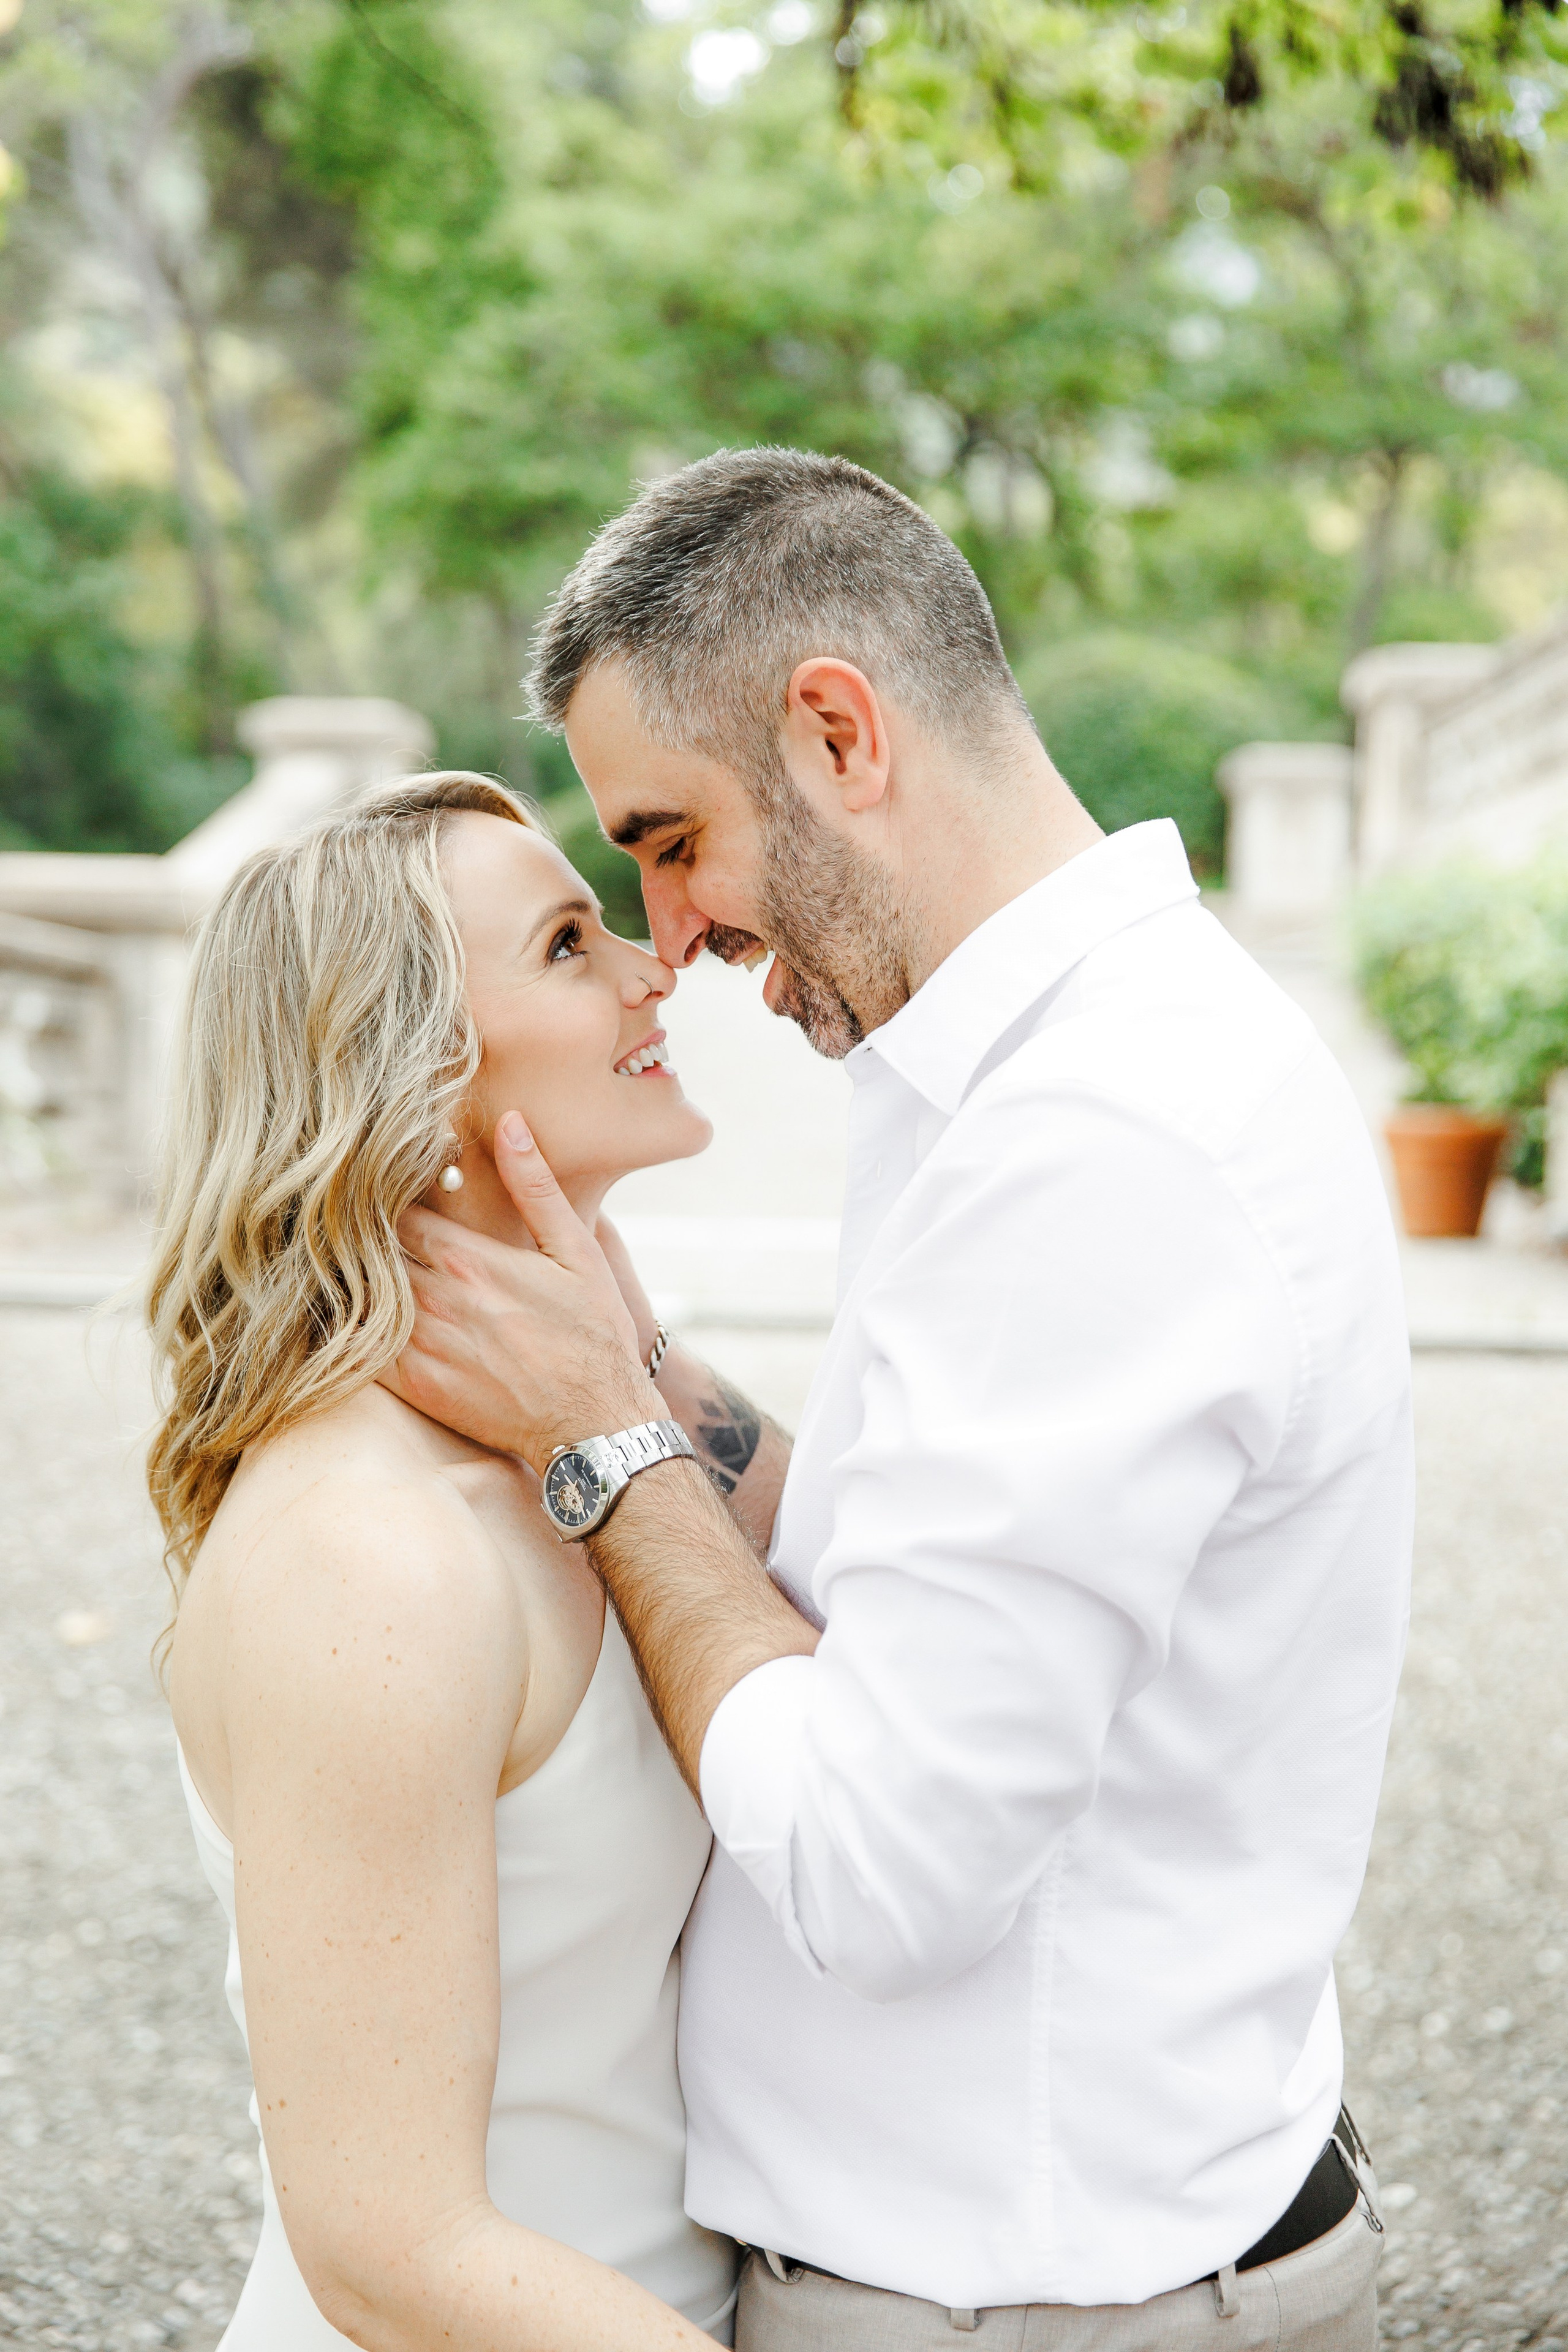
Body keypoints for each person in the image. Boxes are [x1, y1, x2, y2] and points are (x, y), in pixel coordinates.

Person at [390, 448, 1415, 2351]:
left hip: (1032, 2301)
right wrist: (651, 1380)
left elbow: (881, 1873)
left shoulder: (1104, 1140)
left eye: (672, 839)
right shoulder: (1018, 1064)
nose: (667, 936)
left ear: (840, 733)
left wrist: (601, 1453)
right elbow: (906, 1553)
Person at [149, 771, 778, 2350]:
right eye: (572, 943)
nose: (654, 966)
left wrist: (615, 1346)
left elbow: (839, 1576)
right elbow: (387, 2243)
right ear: (410, 1075)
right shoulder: (368, 1558)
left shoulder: (581, 1436)